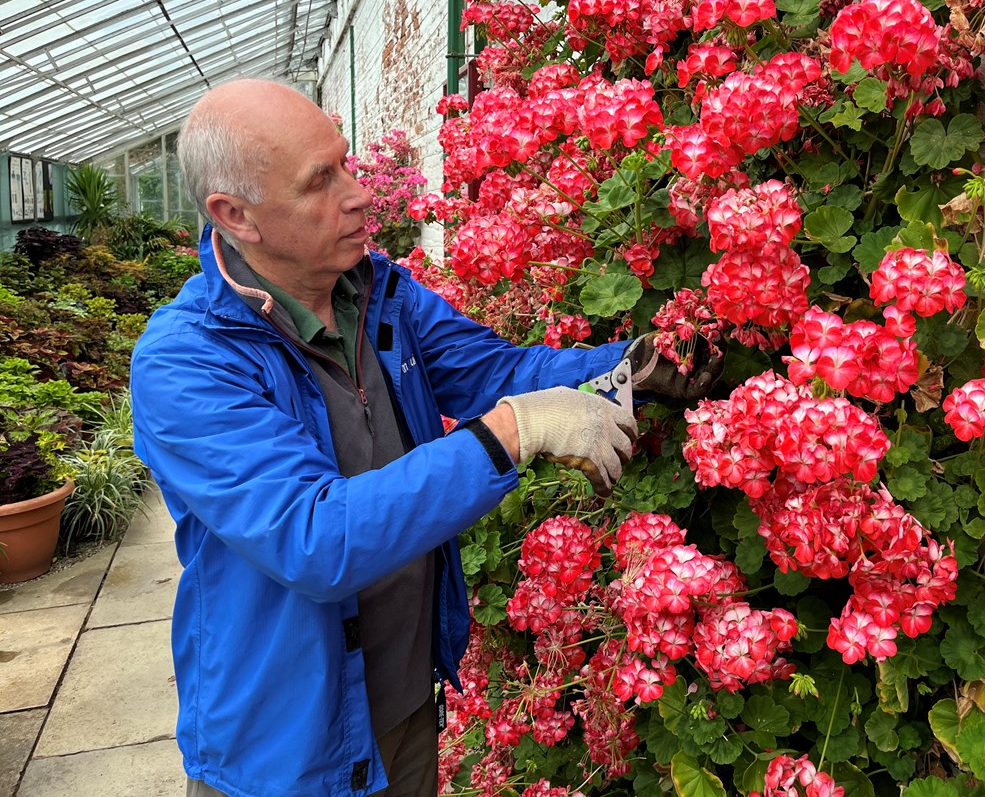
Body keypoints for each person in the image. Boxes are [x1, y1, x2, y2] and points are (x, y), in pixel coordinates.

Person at [130, 79, 721, 797]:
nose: (358, 194)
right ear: (236, 215)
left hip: (404, 710)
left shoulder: (379, 292)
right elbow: (314, 539)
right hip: (281, 755)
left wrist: (627, 366)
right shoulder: (189, 361)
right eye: (322, 181)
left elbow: (500, 372)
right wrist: (513, 432)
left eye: (346, 163)